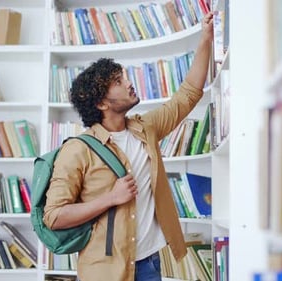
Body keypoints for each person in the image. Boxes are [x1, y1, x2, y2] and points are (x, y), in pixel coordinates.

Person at [42, 12, 214, 281]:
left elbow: (189, 94)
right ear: (101, 104)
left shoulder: (145, 128)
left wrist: (206, 37)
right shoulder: (77, 150)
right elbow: (53, 216)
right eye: (118, 82)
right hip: (104, 270)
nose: (129, 83)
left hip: (149, 264)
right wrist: (110, 198)